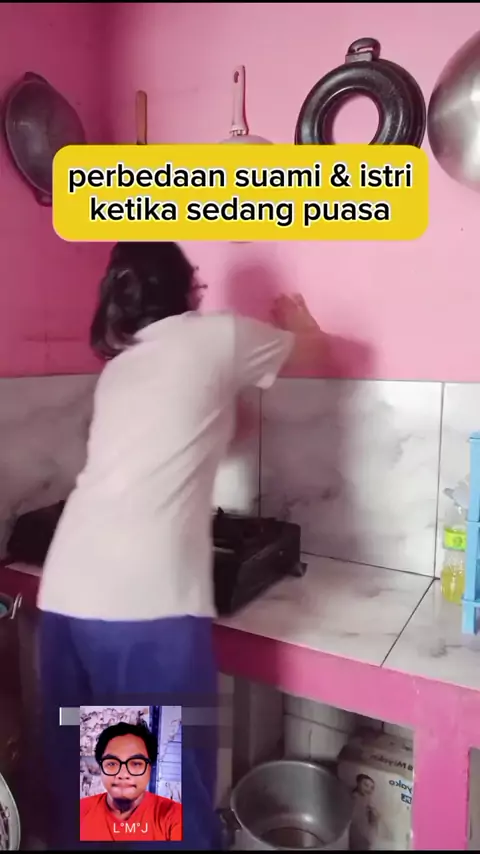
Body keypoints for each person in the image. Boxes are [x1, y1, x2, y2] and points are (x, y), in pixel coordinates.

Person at [37, 241, 327, 849]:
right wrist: (299, 323)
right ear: (186, 286)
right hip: (143, 607)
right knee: (163, 818)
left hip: (65, 597)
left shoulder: (122, 369)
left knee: (100, 807)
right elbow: (314, 355)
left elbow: (205, 435)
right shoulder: (217, 336)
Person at [80, 722, 182, 842]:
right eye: (112, 763)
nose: (123, 774)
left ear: (149, 769)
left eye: (136, 764)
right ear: (101, 768)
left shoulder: (175, 817)